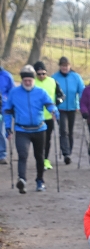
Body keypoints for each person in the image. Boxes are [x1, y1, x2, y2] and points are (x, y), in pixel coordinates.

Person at [2, 65, 59, 193]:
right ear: (22, 80)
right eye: (25, 80)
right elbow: (7, 110)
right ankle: (22, 180)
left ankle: (40, 181)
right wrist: (7, 127)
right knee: (22, 155)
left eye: (30, 80)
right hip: (22, 129)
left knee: (40, 156)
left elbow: (49, 104)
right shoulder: (14, 93)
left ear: (33, 80)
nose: (27, 83)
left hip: (39, 129)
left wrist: (54, 111)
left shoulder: (40, 92)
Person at [52, 56, 85, 165]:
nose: (64, 68)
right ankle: (66, 153)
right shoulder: (54, 78)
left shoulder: (76, 77)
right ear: (60, 66)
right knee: (63, 130)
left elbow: (82, 91)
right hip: (59, 108)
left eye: (66, 66)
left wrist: (81, 105)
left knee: (70, 131)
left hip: (72, 108)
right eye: (62, 66)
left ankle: (68, 151)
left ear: (69, 66)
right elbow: (51, 93)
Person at [33, 61, 63, 170]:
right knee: (37, 141)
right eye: (39, 74)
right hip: (36, 117)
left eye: (43, 73)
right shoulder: (32, 82)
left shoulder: (52, 81)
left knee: (47, 139)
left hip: (49, 116)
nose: (41, 76)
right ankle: (39, 159)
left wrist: (58, 102)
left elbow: (61, 95)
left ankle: (45, 160)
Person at [0, 61, 14, 165]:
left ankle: (2, 154)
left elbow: (12, 92)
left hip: (2, 108)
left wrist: (6, 100)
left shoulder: (6, 76)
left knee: (0, 131)